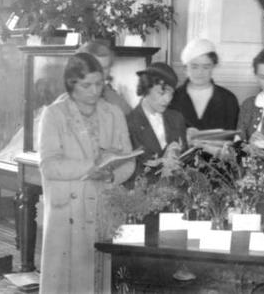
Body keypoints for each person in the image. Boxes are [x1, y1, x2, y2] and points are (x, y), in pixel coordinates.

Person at [38, 52, 134, 294]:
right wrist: (91, 166)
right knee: (68, 280)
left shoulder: (114, 113)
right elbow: (49, 165)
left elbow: (128, 161)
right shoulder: (54, 114)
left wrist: (111, 175)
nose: (94, 91)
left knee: (102, 278)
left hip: (104, 203)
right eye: (86, 85)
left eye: (99, 83)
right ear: (71, 84)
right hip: (69, 209)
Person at [126, 62, 187, 183]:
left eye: (171, 93)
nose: (167, 99)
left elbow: (186, 164)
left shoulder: (177, 118)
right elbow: (128, 173)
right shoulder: (129, 123)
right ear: (146, 88)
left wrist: (179, 158)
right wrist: (162, 164)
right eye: (162, 93)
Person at [170, 38, 240, 136]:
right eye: (194, 67)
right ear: (185, 69)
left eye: (206, 67)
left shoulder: (228, 99)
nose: (200, 72)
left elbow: (234, 136)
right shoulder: (173, 98)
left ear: (213, 67)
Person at [78, 40, 131, 115]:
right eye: (95, 67)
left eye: (105, 68)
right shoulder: (65, 105)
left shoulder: (117, 102)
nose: (100, 73)